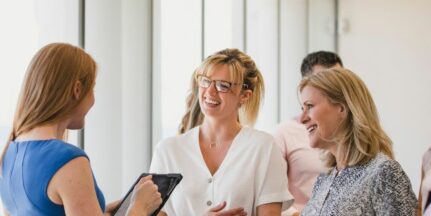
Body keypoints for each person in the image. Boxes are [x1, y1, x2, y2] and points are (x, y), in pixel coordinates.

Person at [0, 43, 162, 216]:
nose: (93, 99)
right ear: (77, 90)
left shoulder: (10, 153)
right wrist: (139, 208)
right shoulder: (68, 160)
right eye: (92, 88)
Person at [150, 48, 293, 215]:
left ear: (244, 96)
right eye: (205, 81)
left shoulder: (264, 147)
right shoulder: (168, 151)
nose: (210, 92)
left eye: (223, 86)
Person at [299, 68, 417, 215]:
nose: (301, 119)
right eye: (302, 108)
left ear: (342, 108)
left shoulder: (383, 172)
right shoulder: (323, 181)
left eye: (309, 106)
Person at [273, 50, 343, 215]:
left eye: (339, 79)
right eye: (325, 81)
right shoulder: (283, 133)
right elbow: (273, 196)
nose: (335, 88)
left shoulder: (349, 137)